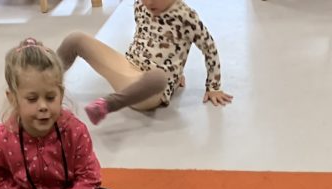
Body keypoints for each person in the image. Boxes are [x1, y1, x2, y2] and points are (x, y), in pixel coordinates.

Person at [0, 38, 135, 189]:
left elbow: (89, 177)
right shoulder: (1, 138)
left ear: (61, 94)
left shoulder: (74, 129)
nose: (43, 106)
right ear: (13, 98)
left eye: (50, 97)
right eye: (32, 99)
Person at [56, 0, 232, 125]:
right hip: (127, 69)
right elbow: (149, 38)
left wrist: (213, 87)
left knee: (158, 77)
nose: (149, 2)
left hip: (152, 90)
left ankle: (107, 105)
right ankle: (47, 78)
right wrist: (177, 70)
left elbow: (209, 48)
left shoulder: (187, 17)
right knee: (75, 39)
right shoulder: (141, 4)